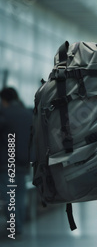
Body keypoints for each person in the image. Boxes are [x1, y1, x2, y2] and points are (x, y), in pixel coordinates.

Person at [0, 87, 32, 236]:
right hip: (23, 162)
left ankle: (15, 227)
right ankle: (18, 226)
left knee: (9, 196)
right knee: (19, 195)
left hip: (7, 163)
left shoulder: (4, 113)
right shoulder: (27, 113)